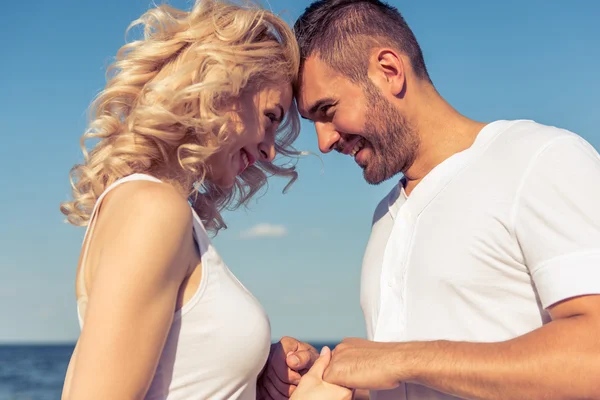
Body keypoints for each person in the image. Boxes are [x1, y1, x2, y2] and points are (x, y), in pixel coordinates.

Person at [261, 0, 600, 399]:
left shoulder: (540, 159)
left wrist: (400, 358)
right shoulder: (385, 216)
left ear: (389, 71)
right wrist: (331, 380)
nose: (324, 140)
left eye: (328, 110)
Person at [59, 0, 351, 399]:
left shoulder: (146, 205)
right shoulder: (153, 209)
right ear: (225, 86)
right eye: (271, 117)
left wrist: (249, 378)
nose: (269, 151)